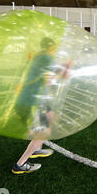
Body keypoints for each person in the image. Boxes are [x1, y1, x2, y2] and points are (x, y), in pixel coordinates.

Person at [11, 37, 62, 174]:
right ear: (51, 47)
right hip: (33, 100)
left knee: (51, 117)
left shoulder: (38, 56)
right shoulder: (47, 58)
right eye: (54, 46)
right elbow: (50, 81)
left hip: (30, 97)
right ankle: (20, 164)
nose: (56, 49)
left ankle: (37, 149)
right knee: (43, 130)